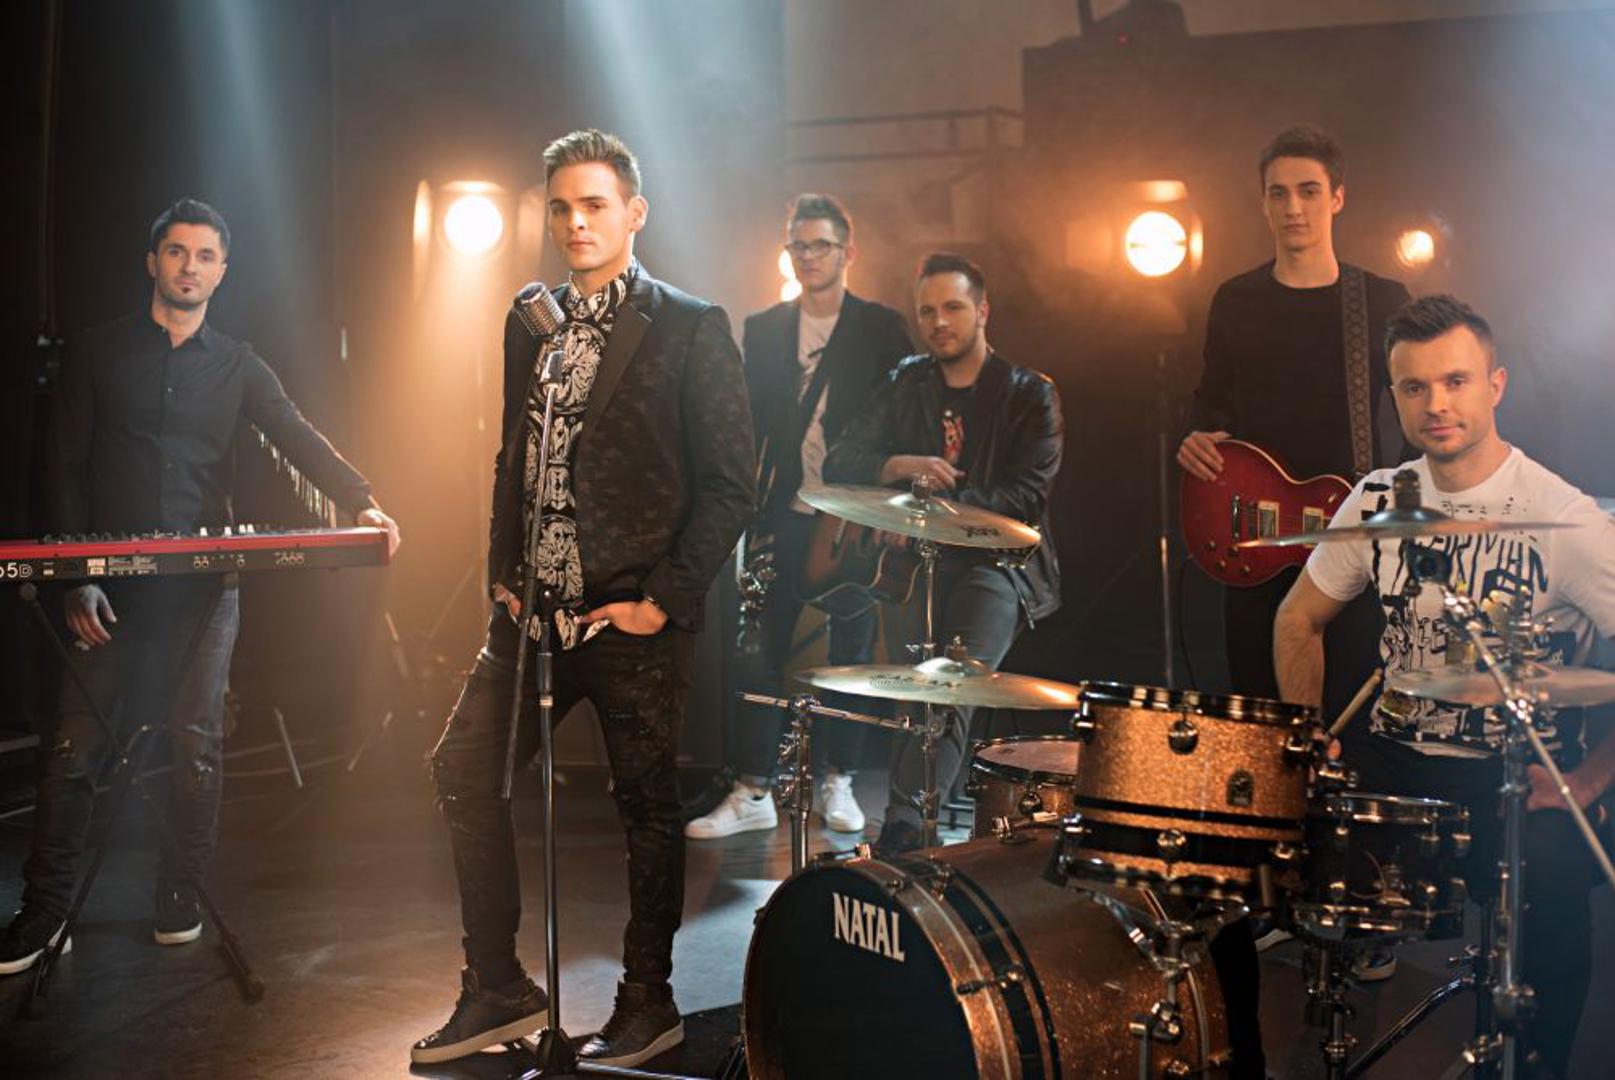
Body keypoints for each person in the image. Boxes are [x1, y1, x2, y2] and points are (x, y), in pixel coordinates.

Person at [413, 130, 755, 1068]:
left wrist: (662, 601)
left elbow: (732, 485)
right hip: (532, 614)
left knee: (645, 805)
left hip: (630, 614)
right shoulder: (531, 321)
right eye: (561, 206)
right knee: (462, 770)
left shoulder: (690, 326)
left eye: (594, 204)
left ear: (634, 213)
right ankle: (496, 986)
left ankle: (649, 1002)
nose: (575, 222)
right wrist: (500, 567)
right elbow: (513, 453)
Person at [0, 197, 400, 976]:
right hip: (106, 592)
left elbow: (296, 433)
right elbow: (63, 466)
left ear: (222, 271)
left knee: (197, 748)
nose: (190, 267)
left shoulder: (239, 364)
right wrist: (76, 580)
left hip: (205, 592)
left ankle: (178, 894)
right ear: (153, 261)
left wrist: (361, 500)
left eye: (205, 256)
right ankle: (44, 913)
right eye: (177, 252)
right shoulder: (98, 351)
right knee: (73, 750)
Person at [1275, 294, 1615, 1080]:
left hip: (1512, 771)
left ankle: (1534, 1066)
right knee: (1247, 846)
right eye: (1413, 387)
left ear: (1494, 385)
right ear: (1394, 397)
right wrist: (1304, 735)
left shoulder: (1562, 519)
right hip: (1392, 758)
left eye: (1454, 381)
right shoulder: (1377, 497)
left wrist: (1587, 781)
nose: (1435, 404)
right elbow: (1297, 618)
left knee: (1553, 886)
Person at [686, 193, 911, 841]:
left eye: (820, 245)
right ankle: (752, 788)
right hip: (783, 509)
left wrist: (892, 508)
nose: (808, 256)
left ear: (848, 252)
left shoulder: (880, 327)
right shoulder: (765, 328)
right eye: (798, 246)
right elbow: (748, 420)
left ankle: (839, 779)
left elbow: (903, 416)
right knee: (757, 649)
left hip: (854, 517)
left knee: (850, 654)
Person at [822, 252, 1062, 855]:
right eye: (926, 311)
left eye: (953, 307)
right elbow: (840, 459)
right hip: (912, 567)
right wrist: (898, 465)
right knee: (913, 692)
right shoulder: (907, 381)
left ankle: (904, 830)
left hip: (997, 568)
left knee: (949, 683)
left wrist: (937, 507)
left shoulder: (1029, 394)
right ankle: (914, 834)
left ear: (982, 311)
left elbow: (1025, 498)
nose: (938, 322)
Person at [1178, 124, 1410, 705]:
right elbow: (1212, 401)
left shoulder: (1379, 301)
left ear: (1338, 197)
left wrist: (1401, 500)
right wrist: (1195, 437)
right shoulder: (1236, 300)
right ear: (1263, 203)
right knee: (1259, 716)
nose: (1293, 208)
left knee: (1345, 718)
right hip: (1255, 540)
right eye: (1278, 193)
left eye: (1309, 191)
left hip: (1346, 538)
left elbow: (1419, 412)